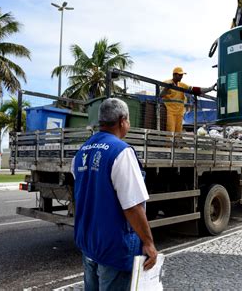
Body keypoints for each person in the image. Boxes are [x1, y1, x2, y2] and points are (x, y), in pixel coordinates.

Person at [71, 98, 157, 290]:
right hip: (114, 248)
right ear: (122, 120)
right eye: (128, 121)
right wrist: (148, 243)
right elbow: (133, 206)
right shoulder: (121, 151)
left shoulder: (82, 151)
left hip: (89, 244)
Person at [160, 67, 215, 133]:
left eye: (182, 75)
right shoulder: (166, 83)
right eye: (180, 75)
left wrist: (210, 89)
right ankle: (168, 143)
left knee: (178, 133)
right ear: (174, 75)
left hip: (180, 113)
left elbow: (195, 89)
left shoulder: (182, 85)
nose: (181, 77)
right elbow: (160, 95)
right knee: (170, 131)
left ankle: (177, 143)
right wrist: (167, 88)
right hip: (170, 112)